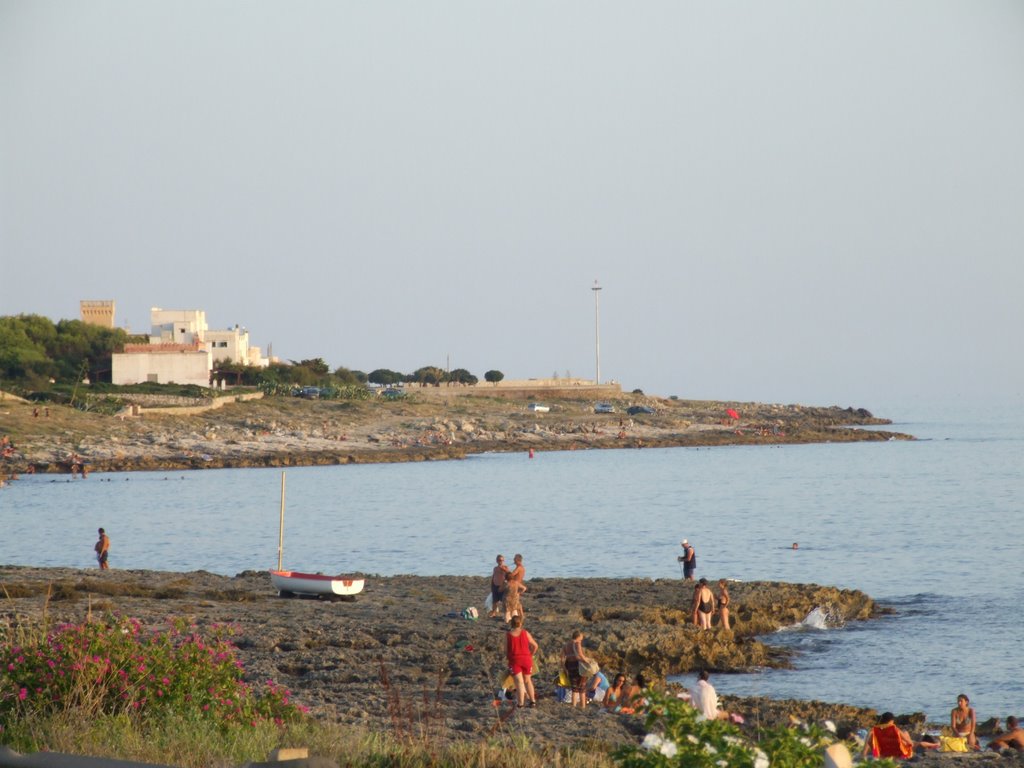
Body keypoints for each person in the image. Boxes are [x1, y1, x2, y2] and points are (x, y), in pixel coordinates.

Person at [504, 615, 538, 708]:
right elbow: (535, 646)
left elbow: (506, 650)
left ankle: (521, 703)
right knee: (528, 681)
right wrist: (531, 654)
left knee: (519, 682)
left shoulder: (508, 635)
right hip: (526, 659)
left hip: (515, 660)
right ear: (521, 623)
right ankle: (532, 701)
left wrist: (508, 657)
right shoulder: (525, 633)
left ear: (511, 624)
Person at [562, 629, 595, 709]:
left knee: (574, 688)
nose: (582, 639)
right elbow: (580, 655)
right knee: (582, 687)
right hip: (578, 666)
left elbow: (562, 657)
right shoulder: (577, 643)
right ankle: (583, 706)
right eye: (581, 637)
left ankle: (573, 706)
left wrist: (564, 668)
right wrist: (588, 661)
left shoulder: (566, 645)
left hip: (570, 666)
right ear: (578, 636)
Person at [504, 553, 526, 623]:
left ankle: (521, 616)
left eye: (514, 559)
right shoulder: (522, 567)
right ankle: (521, 615)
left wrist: (506, 570)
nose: (513, 560)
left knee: (516, 603)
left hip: (515, 585)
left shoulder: (519, 567)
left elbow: (512, 574)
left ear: (517, 560)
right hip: (517, 585)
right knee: (517, 602)